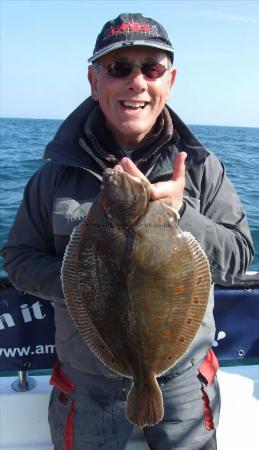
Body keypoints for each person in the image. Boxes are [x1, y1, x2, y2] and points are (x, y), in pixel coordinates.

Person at [1, 12, 254, 450]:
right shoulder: (52, 177)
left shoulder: (202, 168)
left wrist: (183, 214)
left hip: (183, 383)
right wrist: (88, 286)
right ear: (94, 81)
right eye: (119, 68)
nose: (137, 81)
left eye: (151, 68)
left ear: (169, 81)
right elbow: (19, 260)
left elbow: (238, 257)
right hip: (86, 383)